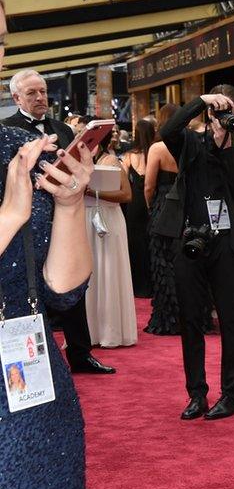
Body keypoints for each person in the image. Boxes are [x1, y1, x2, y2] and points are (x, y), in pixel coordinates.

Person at [0, 0, 96, 489]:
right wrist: (9, 215)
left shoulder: (15, 143)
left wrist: (67, 207)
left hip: (32, 391)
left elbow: (62, 290)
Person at [2, 69, 115, 375]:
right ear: (16, 98)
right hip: (21, 233)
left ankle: (81, 353)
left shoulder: (62, 129)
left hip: (64, 220)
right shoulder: (7, 132)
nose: (40, 98)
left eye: (43, 91)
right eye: (32, 93)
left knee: (73, 293)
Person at [154, 86, 234, 421]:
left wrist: (227, 143)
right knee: (191, 319)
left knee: (230, 319)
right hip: (190, 238)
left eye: (233, 113)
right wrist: (200, 103)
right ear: (211, 113)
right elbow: (166, 129)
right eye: (222, 112)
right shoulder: (190, 143)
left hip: (226, 244)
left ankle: (231, 394)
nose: (228, 118)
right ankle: (197, 394)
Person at [84, 141, 138, 348]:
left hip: (109, 219)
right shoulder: (76, 162)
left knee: (109, 270)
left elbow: (126, 195)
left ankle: (112, 330)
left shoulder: (112, 161)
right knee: (89, 273)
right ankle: (90, 331)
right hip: (84, 219)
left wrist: (92, 193)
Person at [144, 104, 181, 335]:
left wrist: (151, 207)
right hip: (187, 206)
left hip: (163, 206)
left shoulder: (158, 148)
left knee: (162, 262)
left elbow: (149, 185)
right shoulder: (190, 145)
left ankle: (168, 318)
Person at [121, 118, 154, 297]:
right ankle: (152, 284)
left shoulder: (129, 156)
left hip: (134, 201)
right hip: (152, 199)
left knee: (135, 242)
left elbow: (124, 180)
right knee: (151, 241)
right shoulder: (156, 153)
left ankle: (138, 286)